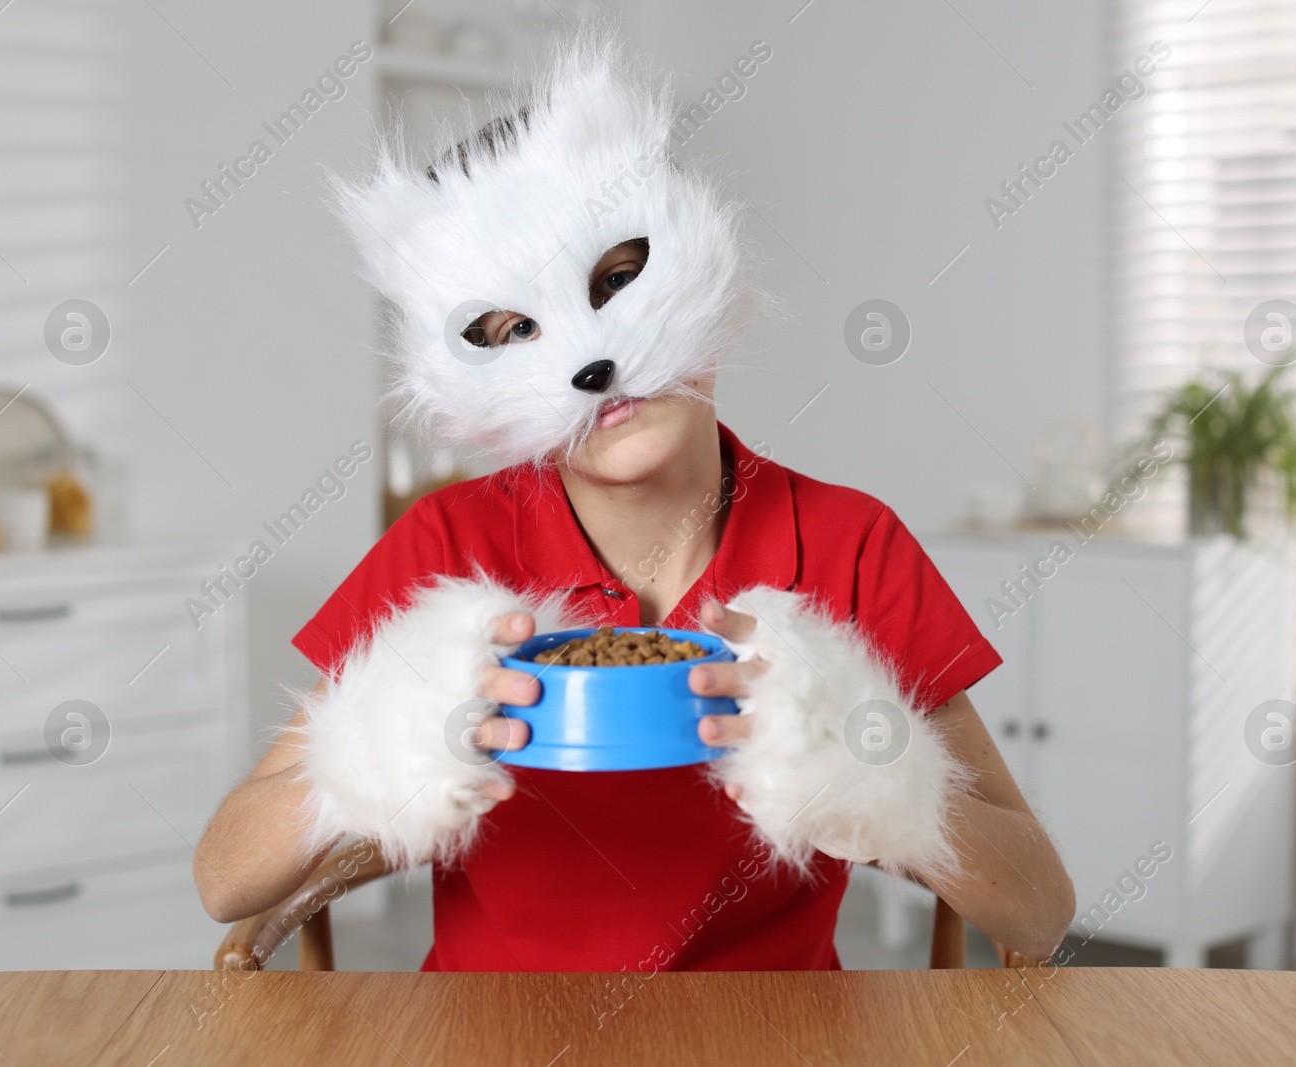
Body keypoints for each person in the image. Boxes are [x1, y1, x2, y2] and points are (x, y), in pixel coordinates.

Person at [193, 28, 1073, 972]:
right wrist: (365, 757)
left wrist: (878, 775)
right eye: (515, 329)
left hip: (776, 1037)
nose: (589, 360)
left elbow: (1039, 910)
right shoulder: (448, 542)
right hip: (490, 1038)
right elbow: (224, 881)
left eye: (618, 281)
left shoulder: (848, 542)